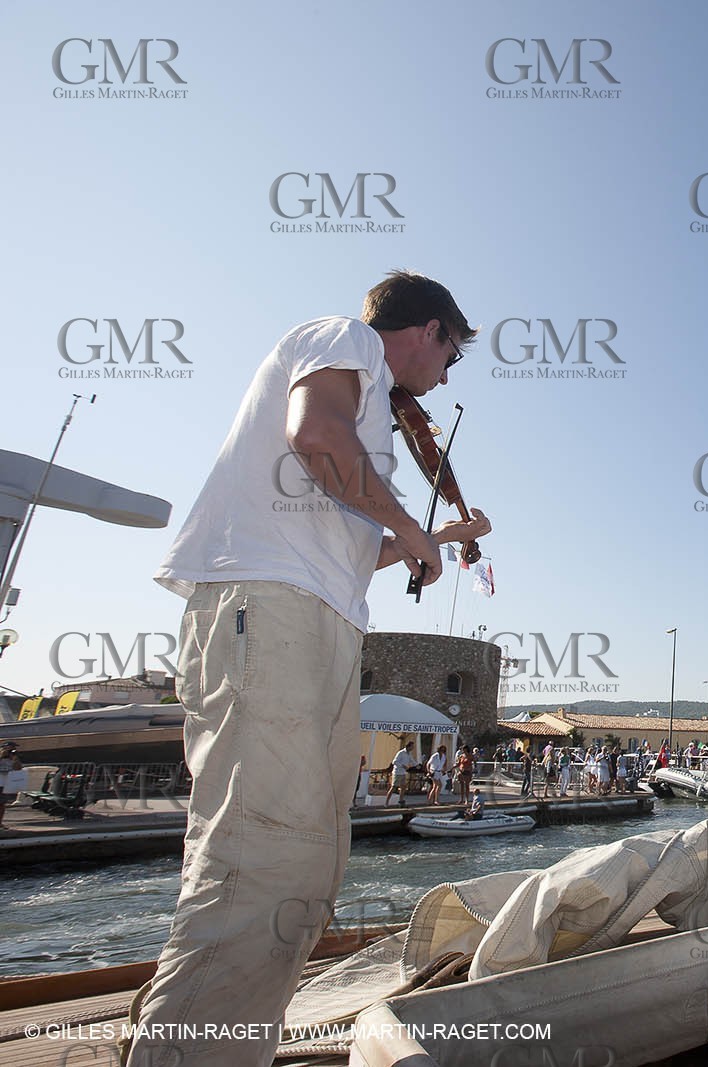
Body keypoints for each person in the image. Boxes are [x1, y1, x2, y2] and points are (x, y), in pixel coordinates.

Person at [131, 271, 491, 1067]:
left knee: (305, 864)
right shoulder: (347, 337)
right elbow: (316, 434)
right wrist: (410, 523)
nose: (445, 379)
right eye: (451, 357)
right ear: (428, 330)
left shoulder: (372, 409)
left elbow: (351, 537)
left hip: (313, 618)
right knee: (263, 861)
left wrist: (432, 538)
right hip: (271, 606)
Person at [387, 741, 418, 807]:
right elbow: (394, 762)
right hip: (397, 772)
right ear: (409, 746)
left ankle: (400, 801)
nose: (413, 748)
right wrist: (402, 765)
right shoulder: (401, 753)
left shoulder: (409, 754)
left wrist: (417, 765)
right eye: (412, 746)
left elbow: (412, 760)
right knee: (393, 787)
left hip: (403, 773)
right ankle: (386, 802)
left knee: (403, 787)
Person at [0, 744, 24, 828]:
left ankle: (0, 823)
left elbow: (18, 768)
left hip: (4, 784)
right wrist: (2, 756)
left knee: (2, 804)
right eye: (10, 750)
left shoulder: (13, 759)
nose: (12, 751)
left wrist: (15, 758)